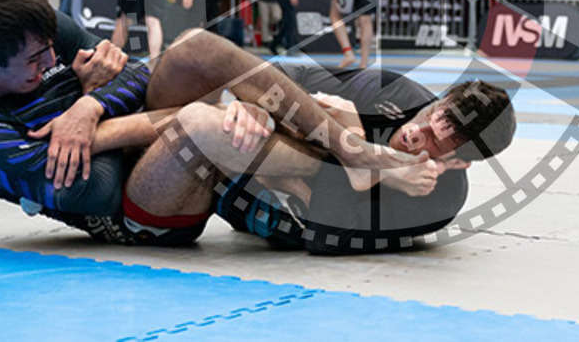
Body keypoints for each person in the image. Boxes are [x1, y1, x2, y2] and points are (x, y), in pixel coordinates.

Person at [0, 0, 426, 246]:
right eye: (36, 63)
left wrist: (88, 104)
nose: (52, 61)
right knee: (201, 125)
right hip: (138, 213)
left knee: (196, 46)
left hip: (135, 142)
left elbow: (136, 74)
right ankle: (349, 160)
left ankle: (350, 150)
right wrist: (83, 93)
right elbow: (101, 187)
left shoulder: (35, 34)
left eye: (53, 50)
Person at [215, 62, 516, 255]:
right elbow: (291, 75)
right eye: (429, 116)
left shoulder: (440, 200)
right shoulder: (394, 91)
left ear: (459, 163)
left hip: (272, 212)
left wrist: (353, 139)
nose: (414, 132)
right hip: (240, 169)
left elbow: (326, 235)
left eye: (435, 142)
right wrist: (258, 108)